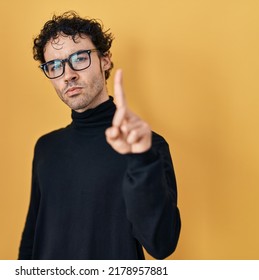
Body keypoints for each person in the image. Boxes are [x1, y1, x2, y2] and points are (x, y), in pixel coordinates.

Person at [18, 11, 181, 260]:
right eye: (55, 65)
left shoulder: (146, 147)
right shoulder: (46, 147)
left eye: (79, 58)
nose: (67, 74)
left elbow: (162, 245)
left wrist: (141, 160)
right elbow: (32, 237)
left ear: (105, 60)